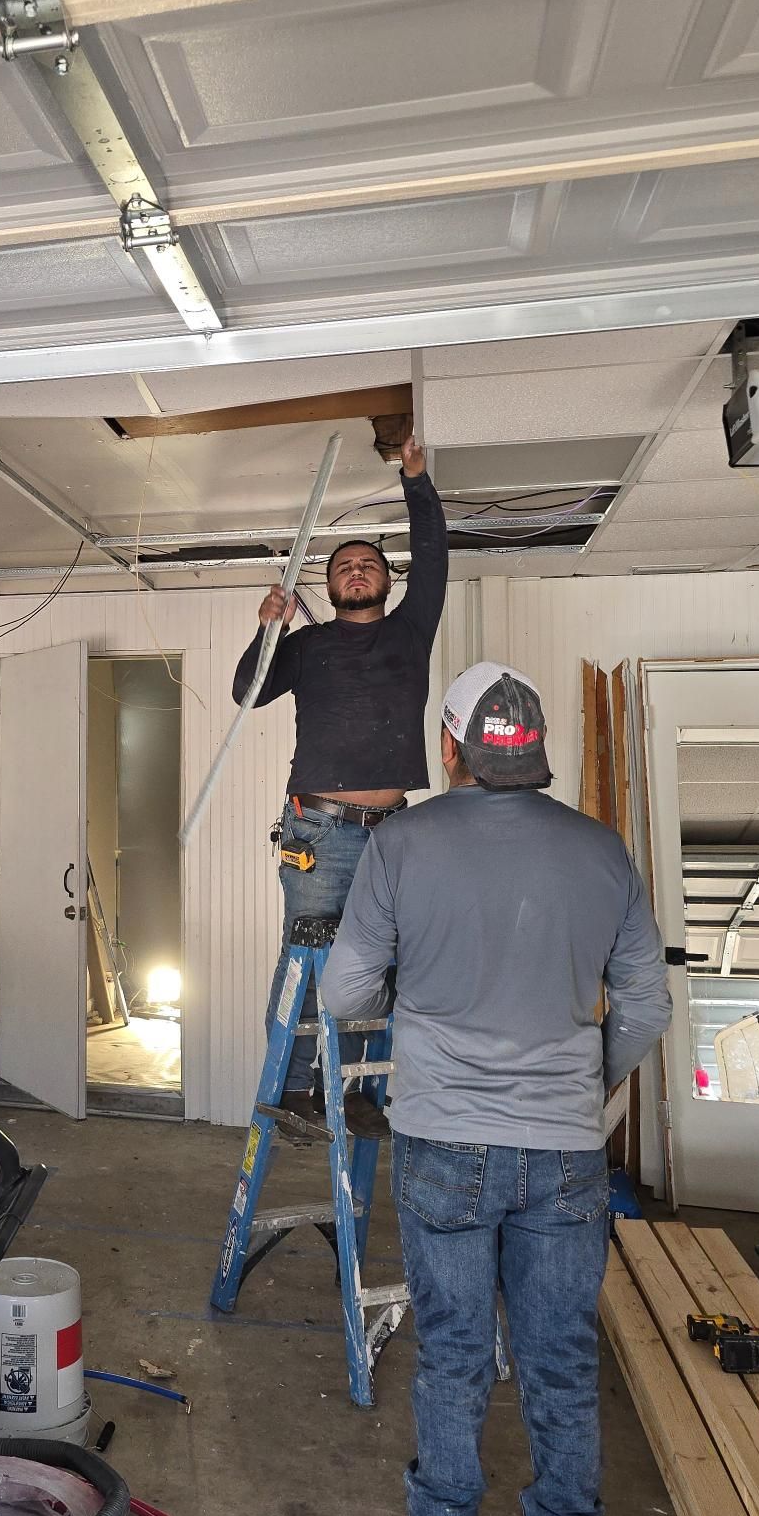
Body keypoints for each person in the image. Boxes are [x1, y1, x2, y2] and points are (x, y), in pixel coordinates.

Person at [320, 663, 671, 1516]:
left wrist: (412, 985)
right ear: (536, 748)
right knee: (562, 1370)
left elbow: (344, 994)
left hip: (443, 1144)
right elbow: (644, 1006)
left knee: (456, 1362)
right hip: (564, 1153)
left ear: (450, 746)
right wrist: (574, 1088)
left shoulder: (400, 844)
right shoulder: (601, 852)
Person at [232, 431, 446, 1139]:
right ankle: (294, 1090)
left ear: (387, 581)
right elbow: (247, 692)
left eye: (368, 564)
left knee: (370, 967)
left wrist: (416, 480)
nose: (356, 571)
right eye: (344, 566)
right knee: (310, 957)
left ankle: (345, 1091)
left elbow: (437, 558)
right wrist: (265, 630)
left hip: (395, 834)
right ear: (328, 588)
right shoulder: (307, 645)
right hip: (319, 832)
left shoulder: (412, 630)